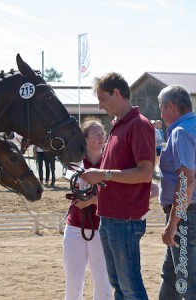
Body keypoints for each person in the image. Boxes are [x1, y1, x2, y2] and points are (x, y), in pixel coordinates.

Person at [80, 72, 155, 300]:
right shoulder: (119, 126)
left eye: (103, 98)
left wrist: (103, 174)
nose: (100, 105)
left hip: (125, 219)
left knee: (129, 287)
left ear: (117, 93)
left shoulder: (138, 125)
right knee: (120, 287)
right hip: (112, 217)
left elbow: (145, 173)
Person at [63, 117, 112, 300]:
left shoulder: (109, 165)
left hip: (101, 227)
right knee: (73, 278)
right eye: (95, 134)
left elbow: (116, 198)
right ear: (84, 139)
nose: (101, 137)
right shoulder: (75, 164)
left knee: (102, 278)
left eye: (102, 133)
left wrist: (92, 200)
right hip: (75, 225)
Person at [157, 85, 196, 300]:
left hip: (185, 216)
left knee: (187, 285)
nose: (160, 114)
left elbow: (186, 180)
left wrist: (173, 224)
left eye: (161, 107)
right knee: (172, 277)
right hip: (188, 213)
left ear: (170, 106)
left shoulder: (181, 133)